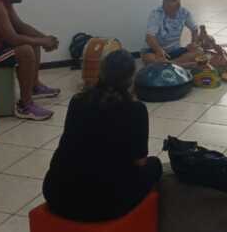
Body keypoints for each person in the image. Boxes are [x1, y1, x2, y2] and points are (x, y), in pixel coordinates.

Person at [43, 49, 162, 222]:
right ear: (131, 79)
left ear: (101, 72)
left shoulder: (78, 100)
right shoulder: (136, 110)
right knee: (155, 165)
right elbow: (140, 161)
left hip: (56, 193)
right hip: (105, 205)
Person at [141, 0, 199, 66]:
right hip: (156, 51)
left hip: (175, 50)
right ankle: (179, 65)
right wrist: (159, 50)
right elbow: (149, 37)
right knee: (149, 58)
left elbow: (194, 29)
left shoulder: (184, 12)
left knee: (199, 51)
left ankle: (169, 64)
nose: (178, 3)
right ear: (164, 1)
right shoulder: (156, 14)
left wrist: (194, 43)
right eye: (174, 0)